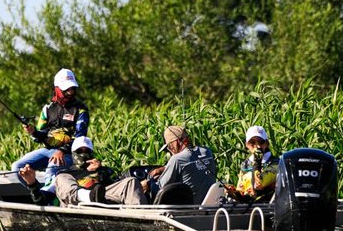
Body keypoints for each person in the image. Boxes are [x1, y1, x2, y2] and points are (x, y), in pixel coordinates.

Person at [12, 68, 89, 188]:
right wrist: (33, 132)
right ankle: (38, 194)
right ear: (57, 89)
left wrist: (62, 151)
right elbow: (39, 137)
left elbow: (80, 137)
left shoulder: (81, 110)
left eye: (72, 88)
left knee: (51, 168)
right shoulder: (47, 109)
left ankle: (49, 201)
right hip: (48, 151)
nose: (70, 92)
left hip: (70, 154)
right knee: (16, 167)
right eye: (66, 89)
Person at [19, 136, 147, 206]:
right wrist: (32, 183)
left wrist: (101, 171)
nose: (83, 154)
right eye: (80, 151)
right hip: (77, 206)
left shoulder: (103, 169)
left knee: (131, 181)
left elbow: (117, 186)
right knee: (60, 177)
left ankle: (142, 224)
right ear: (73, 154)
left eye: (87, 152)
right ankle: (88, 197)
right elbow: (41, 200)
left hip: (103, 199)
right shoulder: (66, 174)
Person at [145, 125, 217, 204]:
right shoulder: (207, 152)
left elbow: (159, 188)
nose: (170, 151)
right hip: (209, 205)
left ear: (178, 142)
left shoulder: (177, 159)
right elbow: (193, 164)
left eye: (169, 146)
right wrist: (164, 168)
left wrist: (148, 184)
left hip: (189, 209)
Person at [224, 125, 279, 203]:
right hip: (250, 208)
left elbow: (258, 184)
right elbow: (242, 191)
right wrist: (233, 193)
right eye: (252, 142)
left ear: (267, 143)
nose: (257, 146)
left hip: (268, 208)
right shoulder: (246, 164)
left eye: (261, 142)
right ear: (247, 145)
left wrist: (257, 160)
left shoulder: (276, 163)